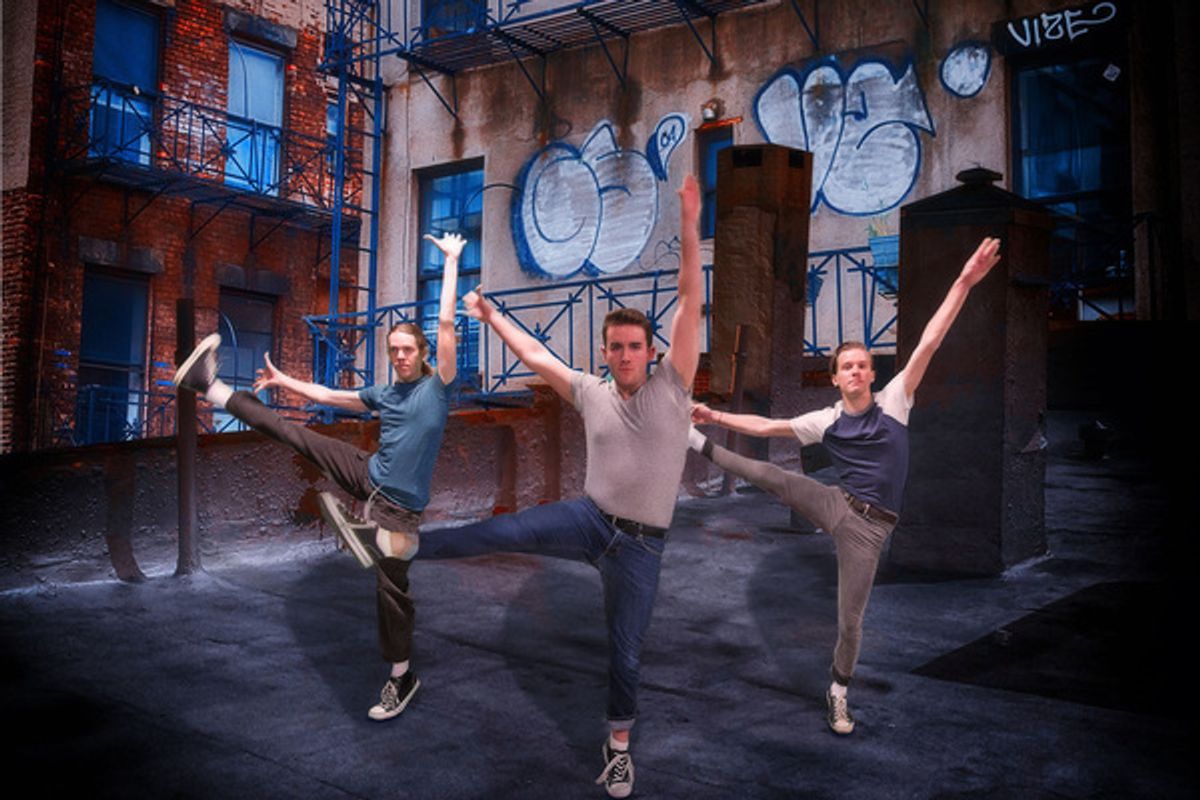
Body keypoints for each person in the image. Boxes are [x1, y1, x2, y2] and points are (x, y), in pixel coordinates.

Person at [405, 175, 703, 799]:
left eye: (635, 347)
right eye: (616, 347)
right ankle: (407, 545)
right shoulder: (591, 390)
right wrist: (491, 315)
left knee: (625, 652)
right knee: (505, 530)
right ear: (605, 351)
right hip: (589, 520)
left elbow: (688, 295)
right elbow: (538, 357)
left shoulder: (673, 386)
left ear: (653, 352)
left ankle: (618, 750)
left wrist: (689, 220)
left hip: (641, 547)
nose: (626, 355)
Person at [689, 237, 1002, 736]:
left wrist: (964, 281)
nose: (855, 371)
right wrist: (714, 417)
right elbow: (767, 427)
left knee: (850, 621)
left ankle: (838, 690)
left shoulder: (896, 401)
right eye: (846, 366)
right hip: (836, 504)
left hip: (869, 531)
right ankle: (694, 441)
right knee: (772, 476)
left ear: (871, 373)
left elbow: (930, 340)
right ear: (834, 378)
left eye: (861, 364)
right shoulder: (827, 420)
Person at [172, 232, 468, 722]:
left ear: (422, 353)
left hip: (400, 509)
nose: (399, 357)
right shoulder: (385, 393)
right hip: (367, 473)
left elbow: (445, 322)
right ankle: (211, 385)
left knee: (392, 591)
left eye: (407, 350)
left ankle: (401, 677)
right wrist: (283, 381)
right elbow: (331, 396)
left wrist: (453, 261)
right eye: (393, 350)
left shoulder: (438, 389)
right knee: (296, 435)